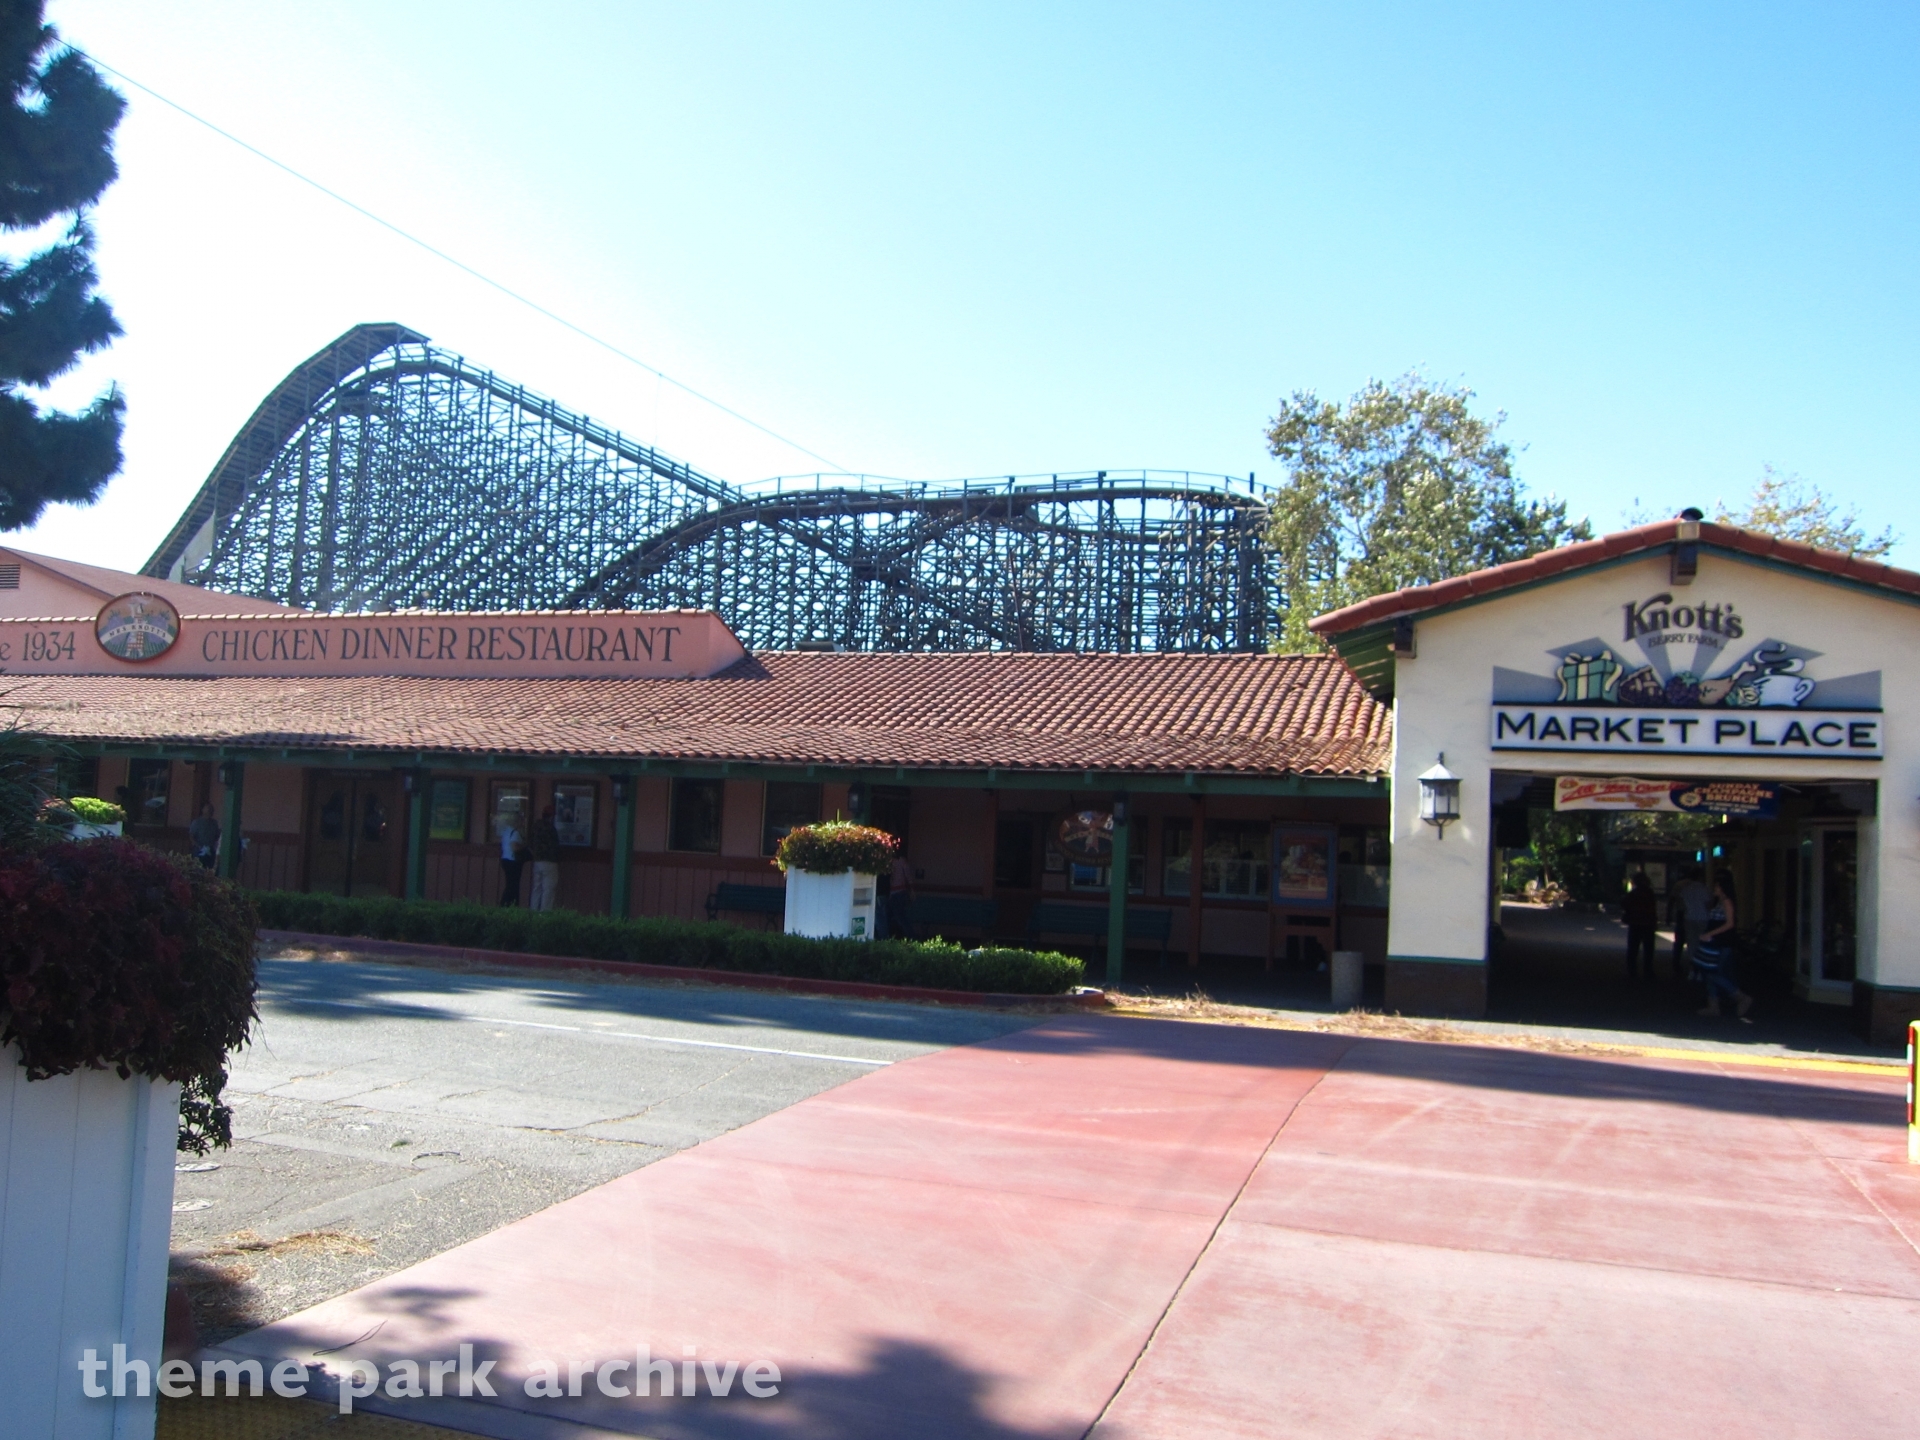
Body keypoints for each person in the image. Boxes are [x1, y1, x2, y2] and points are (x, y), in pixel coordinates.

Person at [1692, 872, 1753, 1021]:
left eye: (1717, 886)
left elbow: (1730, 923)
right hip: (1715, 941)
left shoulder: (1726, 902)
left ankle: (1739, 995)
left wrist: (1710, 933)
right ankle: (1713, 1005)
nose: (1714, 888)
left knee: (1714, 972)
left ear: (1722, 887)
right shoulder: (1719, 902)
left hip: (1721, 942)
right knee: (1710, 972)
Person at [1670, 866, 1712, 975]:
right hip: (1703, 918)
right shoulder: (1704, 888)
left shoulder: (1685, 889)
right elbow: (1708, 905)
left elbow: (1680, 903)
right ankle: (1701, 969)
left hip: (1688, 918)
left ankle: (1693, 969)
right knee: (1702, 943)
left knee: (1691, 943)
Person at [1623, 868, 1658, 980]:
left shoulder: (1633, 893)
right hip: (1648, 923)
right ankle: (1648, 970)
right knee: (1648, 949)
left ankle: (1632, 970)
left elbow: (1624, 903)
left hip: (1635, 922)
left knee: (1633, 948)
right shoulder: (1649, 893)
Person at [528, 803, 562, 912]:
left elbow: (529, 843)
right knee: (548, 889)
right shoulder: (551, 829)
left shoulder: (535, 827)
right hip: (549, 862)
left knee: (536, 888)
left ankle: (533, 912)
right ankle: (544, 915)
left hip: (537, 861)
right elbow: (556, 846)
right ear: (552, 816)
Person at [498, 813, 528, 906]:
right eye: (522, 821)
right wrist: (524, 846)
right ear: (517, 821)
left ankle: (506, 904)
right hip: (513, 861)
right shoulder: (515, 833)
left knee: (510, 884)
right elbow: (514, 847)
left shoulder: (506, 831)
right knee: (513, 885)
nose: (523, 823)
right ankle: (509, 904)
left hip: (505, 859)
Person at [886, 849, 915, 940]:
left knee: (898, 917)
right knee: (900, 917)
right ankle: (908, 936)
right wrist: (911, 890)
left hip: (896, 892)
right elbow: (908, 876)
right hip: (899, 891)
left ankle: (908, 936)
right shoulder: (901, 861)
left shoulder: (891, 862)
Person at [188, 802, 221, 871]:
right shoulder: (197, 822)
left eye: (211, 809)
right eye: (208, 809)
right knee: (197, 871)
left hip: (210, 850)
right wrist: (197, 846)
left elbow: (217, 836)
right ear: (203, 810)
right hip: (199, 850)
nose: (209, 811)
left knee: (210, 871)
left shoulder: (214, 823)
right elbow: (191, 836)